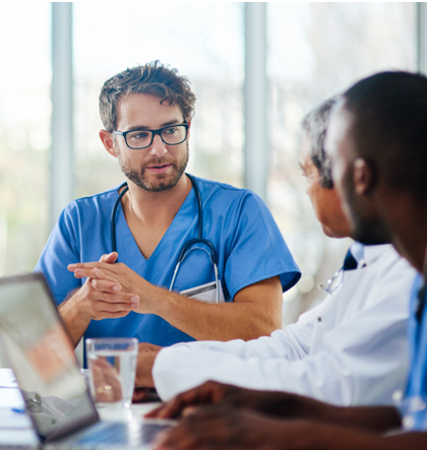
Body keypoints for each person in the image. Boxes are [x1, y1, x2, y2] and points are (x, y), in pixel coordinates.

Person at [150, 71, 427, 449]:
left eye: (327, 167)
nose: (319, 186)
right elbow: (410, 416)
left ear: (360, 176)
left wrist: (292, 433)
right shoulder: (409, 274)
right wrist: (275, 405)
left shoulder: (406, 278)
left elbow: (341, 386)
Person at [35, 61, 301, 350]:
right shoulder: (80, 222)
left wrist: (153, 298)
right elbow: (34, 353)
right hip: (114, 395)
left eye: (171, 130)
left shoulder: (239, 212)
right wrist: (80, 308)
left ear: (187, 129)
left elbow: (263, 329)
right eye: (139, 135)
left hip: (211, 395)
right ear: (110, 143)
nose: (159, 149)